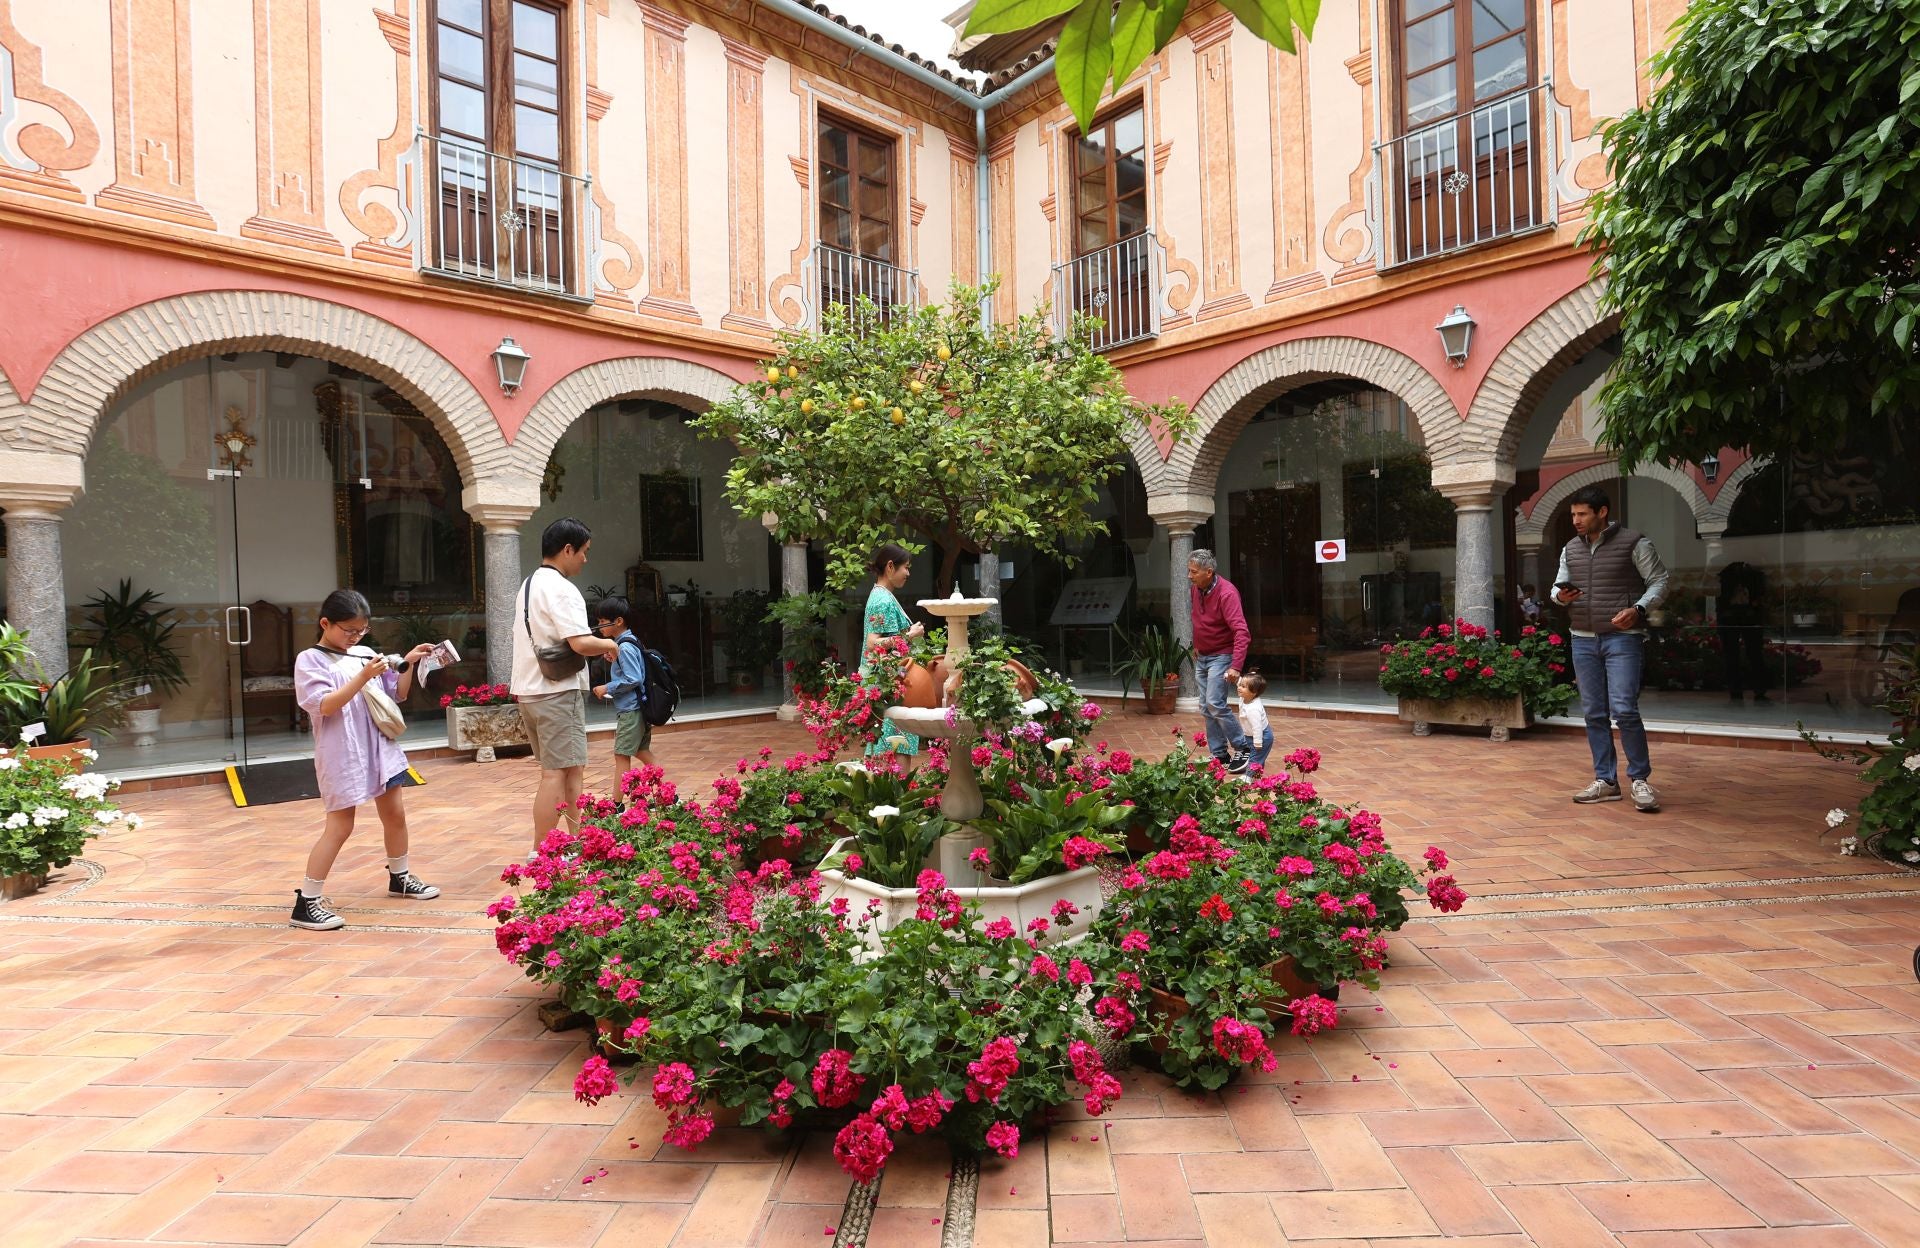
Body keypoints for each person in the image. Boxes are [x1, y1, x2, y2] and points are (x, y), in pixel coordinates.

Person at [289, 589, 439, 931]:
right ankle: (306, 902)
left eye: (361, 631)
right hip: (342, 752)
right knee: (341, 826)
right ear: (325, 623)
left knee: (395, 814)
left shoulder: (363, 654)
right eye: (349, 631)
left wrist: (409, 662)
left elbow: (396, 695)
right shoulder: (309, 659)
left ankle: (399, 878)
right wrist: (363, 676)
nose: (355, 637)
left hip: (379, 747)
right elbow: (324, 705)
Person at [1552, 486, 1670, 812]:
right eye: (1573, 514)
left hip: (1623, 638)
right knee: (1593, 713)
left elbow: (1660, 580)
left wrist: (1639, 609)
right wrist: (1561, 597)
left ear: (1602, 512)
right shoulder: (1570, 549)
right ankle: (1606, 781)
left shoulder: (1634, 543)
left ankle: (1640, 780)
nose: (1575, 520)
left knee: (1625, 709)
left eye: (1582, 514)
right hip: (1582, 638)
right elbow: (1557, 587)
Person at [512, 517, 620, 850]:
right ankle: (543, 851)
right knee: (555, 775)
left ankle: (578, 844)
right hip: (557, 693)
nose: (585, 559)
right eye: (584, 552)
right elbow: (580, 644)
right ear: (567, 549)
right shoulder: (561, 588)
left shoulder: (529, 584)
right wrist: (611, 644)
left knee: (570, 771)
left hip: (531, 692)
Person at [1188, 549, 1252, 773]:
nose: (1189, 576)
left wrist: (1236, 665)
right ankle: (1219, 754)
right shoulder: (1197, 589)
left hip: (1222, 655)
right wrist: (1197, 644)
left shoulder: (1227, 593)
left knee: (1215, 703)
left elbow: (1242, 632)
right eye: (1189, 571)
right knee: (1206, 707)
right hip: (1203, 656)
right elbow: (1198, 618)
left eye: (1193, 572)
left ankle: (1243, 747)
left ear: (1209, 571)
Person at [863, 542, 925, 758]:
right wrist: (910, 635)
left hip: (888, 682)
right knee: (896, 746)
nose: (908, 573)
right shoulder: (882, 600)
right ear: (890, 567)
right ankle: (897, 791)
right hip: (888, 684)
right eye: (906, 567)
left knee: (889, 744)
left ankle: (889, 790)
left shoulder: (881, 595)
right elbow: (873, 643)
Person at [591, 596, 658, 791]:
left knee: (621, 755)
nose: (599, 626)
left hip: (631, 710)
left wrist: (607, 687)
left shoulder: (625, 646)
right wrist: (615, 661)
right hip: (638, 708)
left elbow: (633, 678)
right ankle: (667, 795)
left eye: (603, 621)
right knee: (642, 751)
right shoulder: (630, 640)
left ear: (618, 621)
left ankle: (617, 806)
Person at [1716, 560, 1772, 704]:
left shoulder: (1748, 578)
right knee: (1742, 654)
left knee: (1749, 654)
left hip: (1743, 617)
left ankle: (1746, 690)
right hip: (1735, 617)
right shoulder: (1731, 577)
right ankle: (1747, 689)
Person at [1235, 670, 1273, 775]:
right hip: (1250, 735)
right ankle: (1256, 777)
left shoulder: (1253, 709)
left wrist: (1257, 742)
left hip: (1262, 737)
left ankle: (1247, 778)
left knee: (1255, 759)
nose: (1239, 687)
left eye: (1243, 686)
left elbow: (1257, 727)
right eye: (1240, 685)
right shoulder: (1245, 697)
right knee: (1258, 758)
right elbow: (1239, 681)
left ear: (1254, 692)